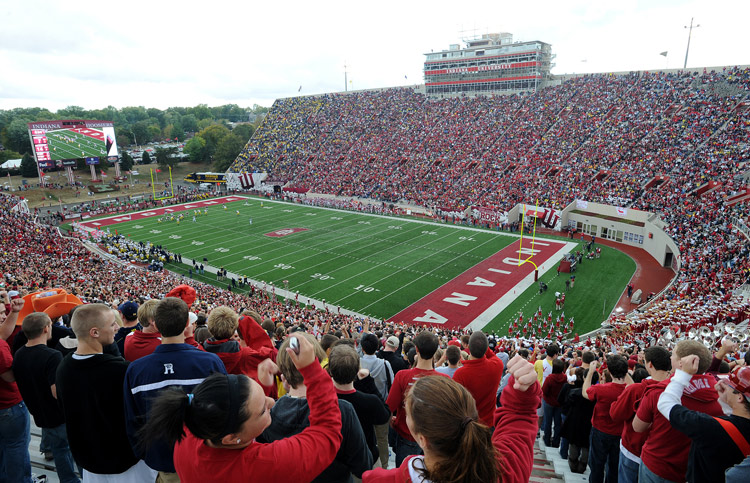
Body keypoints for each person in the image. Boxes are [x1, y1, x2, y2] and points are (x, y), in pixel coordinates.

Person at [138, 333, 343, 482]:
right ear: (231, 438)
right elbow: (326, 433)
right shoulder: (263, 466)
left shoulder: (192, 430)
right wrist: (311, 371)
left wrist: (261, 387)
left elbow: (233, 406)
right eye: (262, 410)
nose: (272, 402)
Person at [363, 354, 542, 483]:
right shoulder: (505, 471)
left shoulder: (384, 479)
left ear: (422, 439)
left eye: (408, 414)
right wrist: (523, 390)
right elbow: (519, 420)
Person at [123, 297, 227, 480]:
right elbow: (224, 411)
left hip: (163, 462)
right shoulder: (210, 362)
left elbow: (132, 422)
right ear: (187, 324)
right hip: (203, 460)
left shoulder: (137, 370)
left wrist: (150, 455)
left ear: (156, 324)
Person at [56, 303, 155, 481]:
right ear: (94, 332)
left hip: (89, 461)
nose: (117, 327)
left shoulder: (64, 366)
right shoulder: (121, 371)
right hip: (127, 463)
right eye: (112, 324)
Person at [260, 334, 372, 482]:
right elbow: (363, 466)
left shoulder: (267, 415)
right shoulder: (343, 410)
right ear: (318, 363)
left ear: (284, 377)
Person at [633, 340, 724, 483]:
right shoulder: (723, 395)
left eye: (674, 354)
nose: (670, 357)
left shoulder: (658, 392)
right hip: (696, 469)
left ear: (682, 362)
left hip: (659, 465)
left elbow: (638, 427)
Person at [657, 354, 750, 482]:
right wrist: (726, 402)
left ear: (740, 397)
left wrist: (682, 374)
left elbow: (666, 404)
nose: (725, 385)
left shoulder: (712, 427)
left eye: (730, 385)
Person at [12, 312, 79, 483]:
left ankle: (68, 480)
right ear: (45, 329)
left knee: (59, 450)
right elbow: (57, 392)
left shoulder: (19, 353)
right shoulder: (52, 355)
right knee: (77, 450)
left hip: (40, 414)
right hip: (60, 415)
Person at [609, 346, 671, 483]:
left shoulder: (637, 389)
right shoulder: (677, 390)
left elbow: (615, 414)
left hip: (634, 451)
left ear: (650, 364)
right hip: (663, 458)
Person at [386, 331, 449, 466]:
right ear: (435, 351)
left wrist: (393, 420)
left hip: (407, 436)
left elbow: (389, 407)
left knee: (405, 474)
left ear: (417, 350)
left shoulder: (402, 376)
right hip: (432, 440)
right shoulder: (445, 380)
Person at [330, 344, 391, 465]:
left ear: (331, 370)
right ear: (357, 369)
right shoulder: (370, 401)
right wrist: (369, 382)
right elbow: (385, 415)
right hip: (363, 459)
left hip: (333, 461)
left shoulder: (320, 399)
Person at [583, 354, 630, 483]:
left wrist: (590, 372)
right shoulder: (630, 389)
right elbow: (632, 384)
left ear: (609, 371)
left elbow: (585, 392)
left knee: (596, 466)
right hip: (620, 434)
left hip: (600, 431)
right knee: (614, 468)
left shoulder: (601, 389)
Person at [453, 331, 504, 427]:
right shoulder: (497, 365)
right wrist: (482, 344)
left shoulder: (460, 374)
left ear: (468, 347)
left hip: (470, 425)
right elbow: (490, 354)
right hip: (490, 423)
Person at [360, 332, 394, 469]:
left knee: (363, 436)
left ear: (363, 348)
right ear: (378, 347)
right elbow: (391, 385)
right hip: (380, 407)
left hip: (361, 407)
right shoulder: (385, 364)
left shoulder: (357, 363)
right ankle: (384, 467)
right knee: (382, 439)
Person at [541, 358, 566, 448]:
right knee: (558, 423)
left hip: (549, 402)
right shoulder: (565, 377)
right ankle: (556, 441)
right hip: (559, 403)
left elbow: (544, 390)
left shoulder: (550, 378)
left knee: (548, 422)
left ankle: (547, 439)